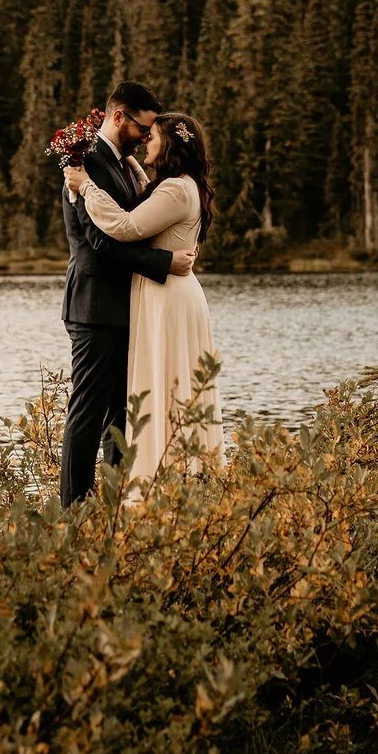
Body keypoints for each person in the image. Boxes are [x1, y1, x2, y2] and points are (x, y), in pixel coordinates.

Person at [63, 108, 222, 482]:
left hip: (167, 297)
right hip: (167, 293)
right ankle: (169, 480)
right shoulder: (180, 184)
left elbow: (126, 224)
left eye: (153, 136)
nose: (145, 139)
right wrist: (125, 157)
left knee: (166, 387)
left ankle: (166, 482)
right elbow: (142, 192)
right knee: (162, 388)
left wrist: (85, 185)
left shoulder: (175, 189)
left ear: (171, 144)